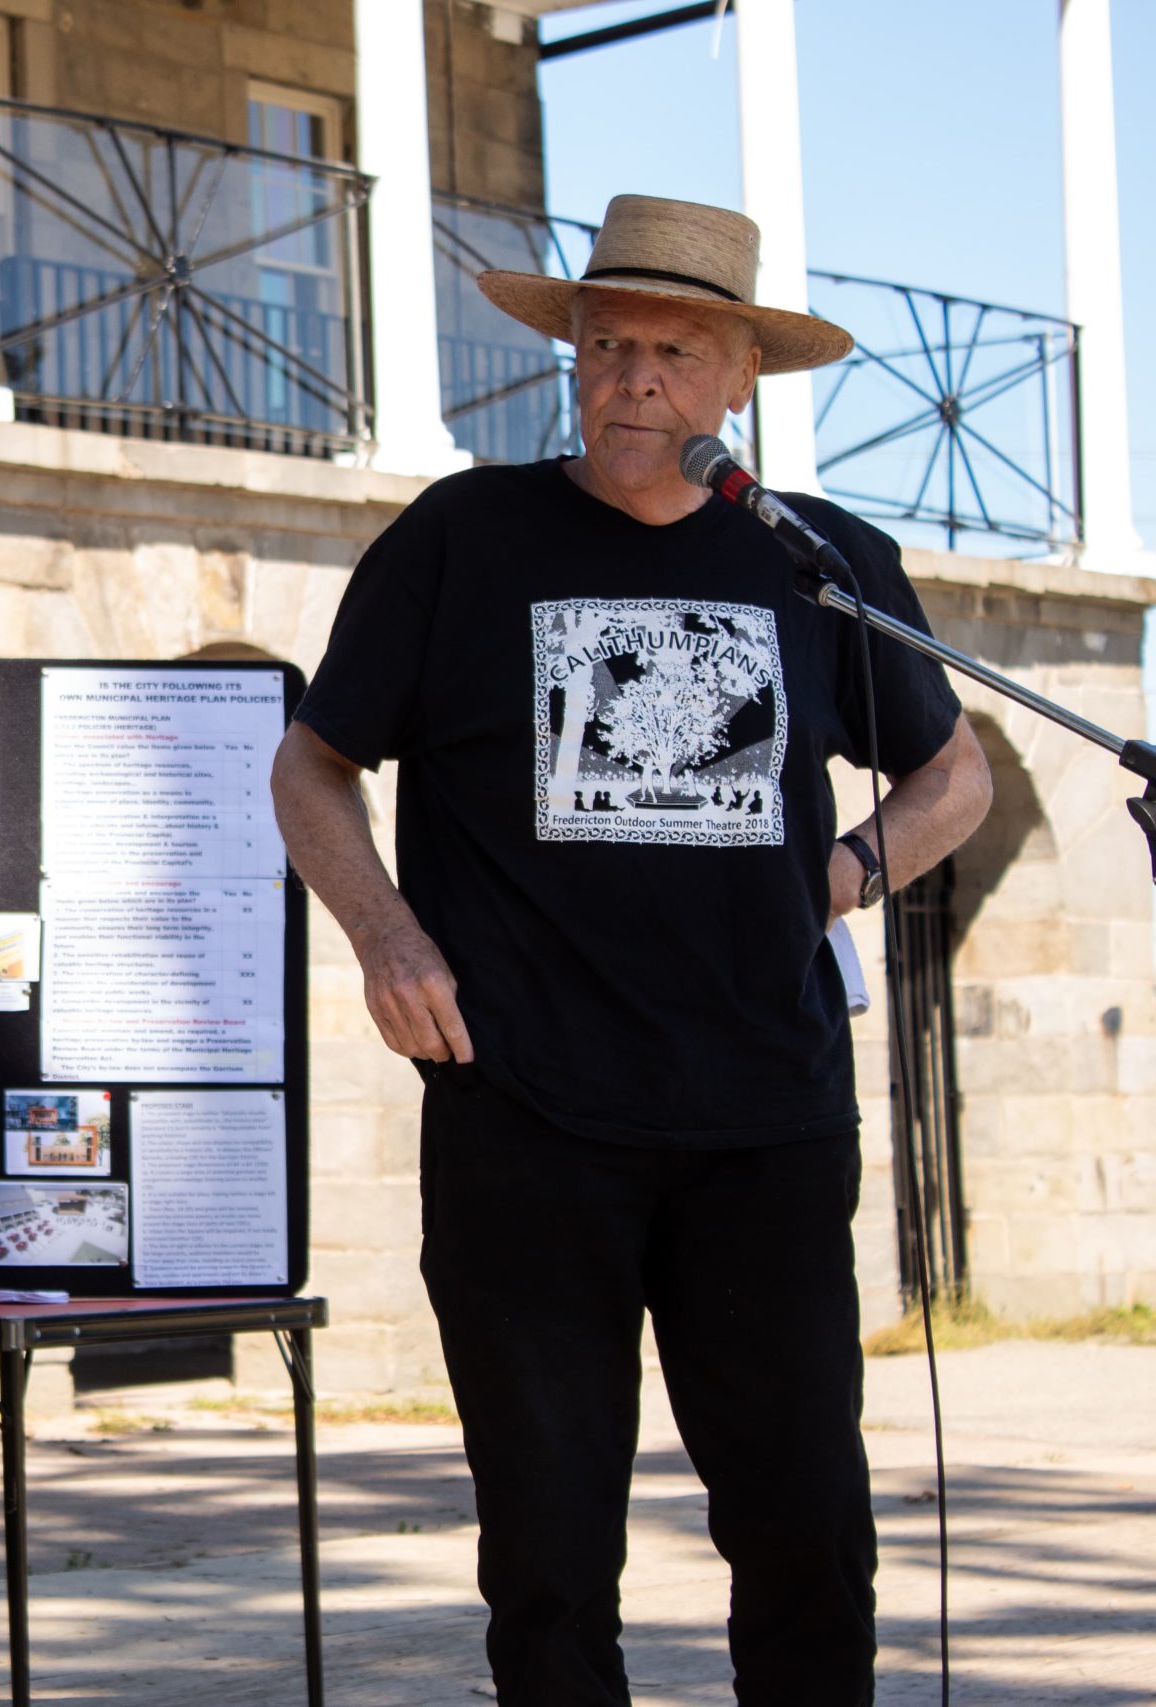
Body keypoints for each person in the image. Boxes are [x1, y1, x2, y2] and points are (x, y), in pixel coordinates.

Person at [271, 195, 993, 1705]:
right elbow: (311, 764)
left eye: (673, 349)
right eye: (608, 346)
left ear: (737, 380)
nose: (634, 377)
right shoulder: (463, 537)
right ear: (574, 360)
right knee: (547, 1549)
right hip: (526, 1117)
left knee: (808, 1531)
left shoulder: (817, 558)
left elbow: (958, 772)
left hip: (769, 1119)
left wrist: (850, 870)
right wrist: (384, 934)